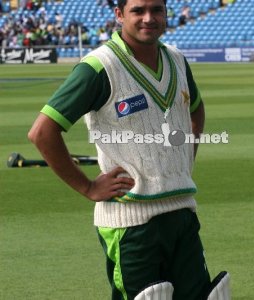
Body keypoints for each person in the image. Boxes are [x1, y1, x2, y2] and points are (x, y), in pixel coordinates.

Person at [28, 0, 216, 299]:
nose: (148, 18)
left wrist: (183, 160)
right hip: (132, 223)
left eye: (156, 10)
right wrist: (87, 187)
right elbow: (42, 132)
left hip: (182, 211)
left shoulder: (177, 59)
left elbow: (196, 109)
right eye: (138, 10)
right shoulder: (99, 66)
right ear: (119, 15)